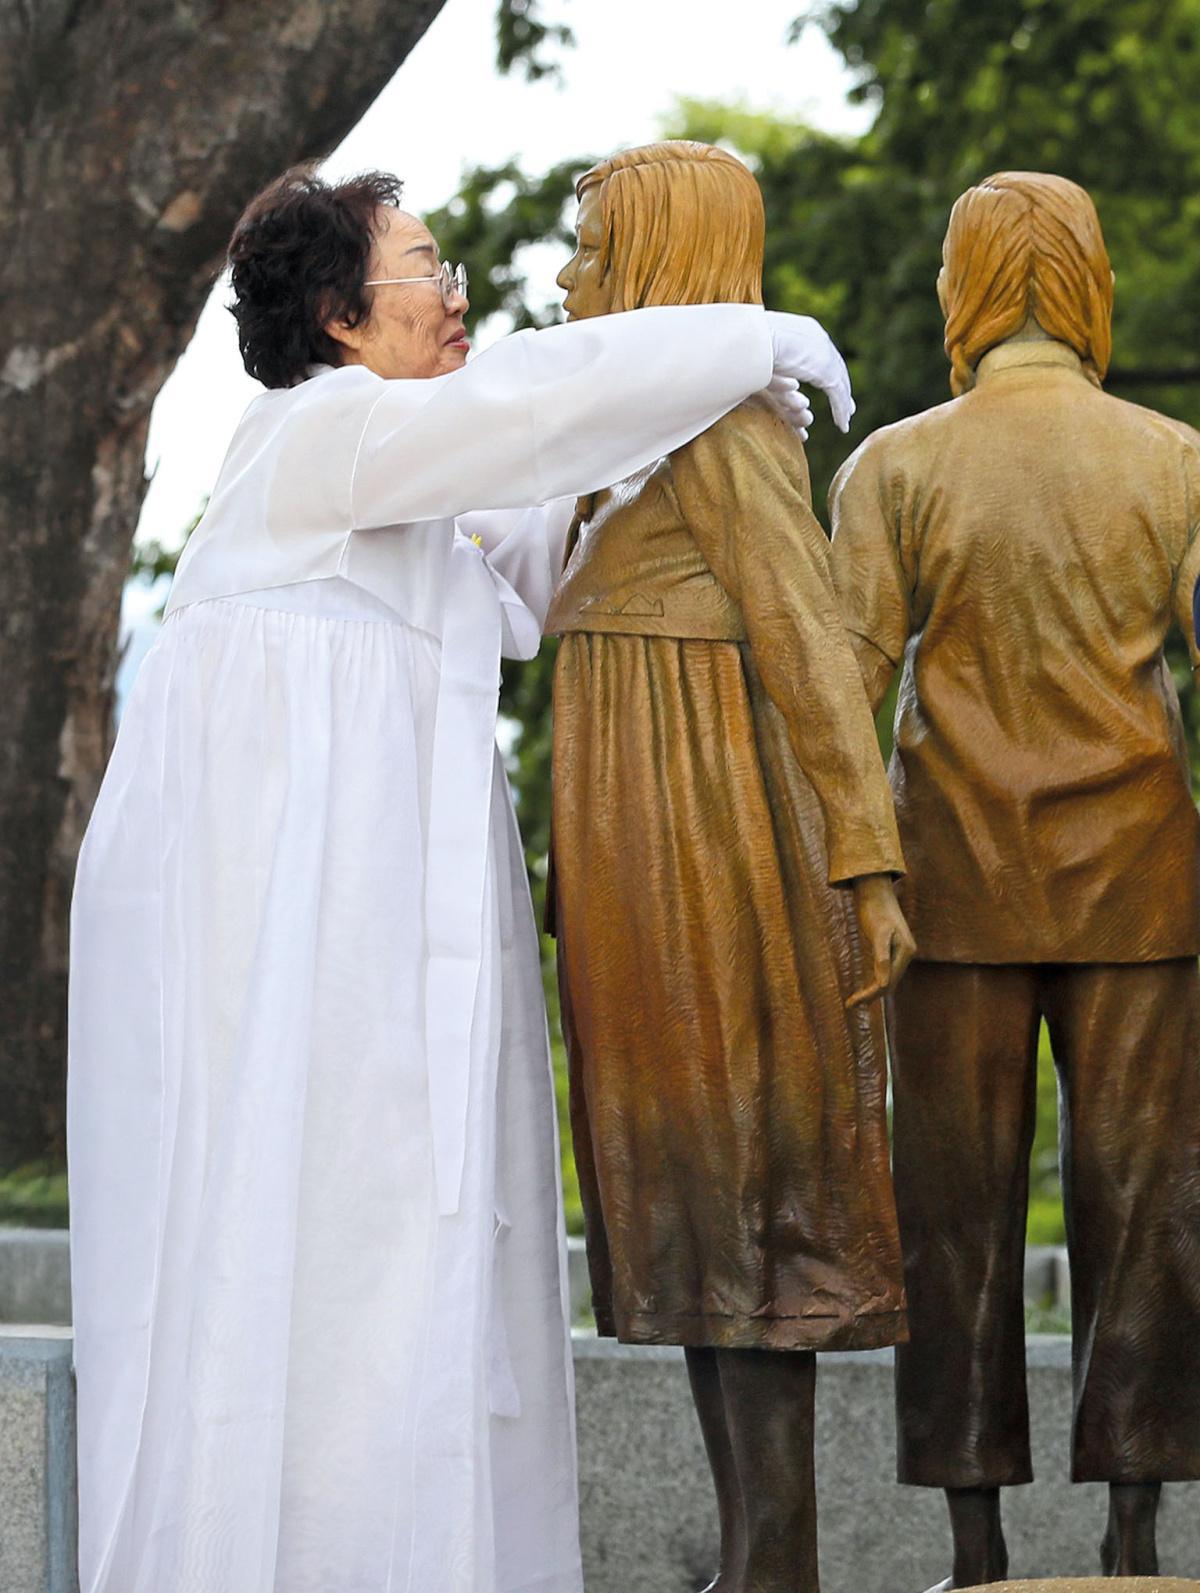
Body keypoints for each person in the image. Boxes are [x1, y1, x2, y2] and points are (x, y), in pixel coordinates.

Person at [66, 164, 853, 1593]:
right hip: (297, 927)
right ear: (340, 316)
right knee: (318, 1226)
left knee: (385, 1242)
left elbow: (523, 556)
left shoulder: (388, 474)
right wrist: (743, 339)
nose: (458, 294)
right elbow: (531, 410)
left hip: (356, 918)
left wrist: (672, 430)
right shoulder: (321, 431)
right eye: (428, 267)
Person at [545, 142, 914, 1593]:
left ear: (658, 260)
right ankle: (756, 1560)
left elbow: (812, 646)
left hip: (709, 844)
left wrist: (865, 858)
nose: (565, 276)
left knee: (748, 1194)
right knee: (694, 1203)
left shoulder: (725, 428)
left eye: (591, 249)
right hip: (640, 846)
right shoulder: (630, 435)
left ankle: (780, 1563)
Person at [828, 170, 1200, 1587]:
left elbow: (843, 696)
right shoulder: (1176, 461)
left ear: (965, 289)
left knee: (953, 1218)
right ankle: (1135, 1542)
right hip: (1145, 889)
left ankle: (976, 1551)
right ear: (1090, 283)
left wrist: (846, 874)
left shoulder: (894, 468)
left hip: (950, 889)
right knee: (1150, 1205)